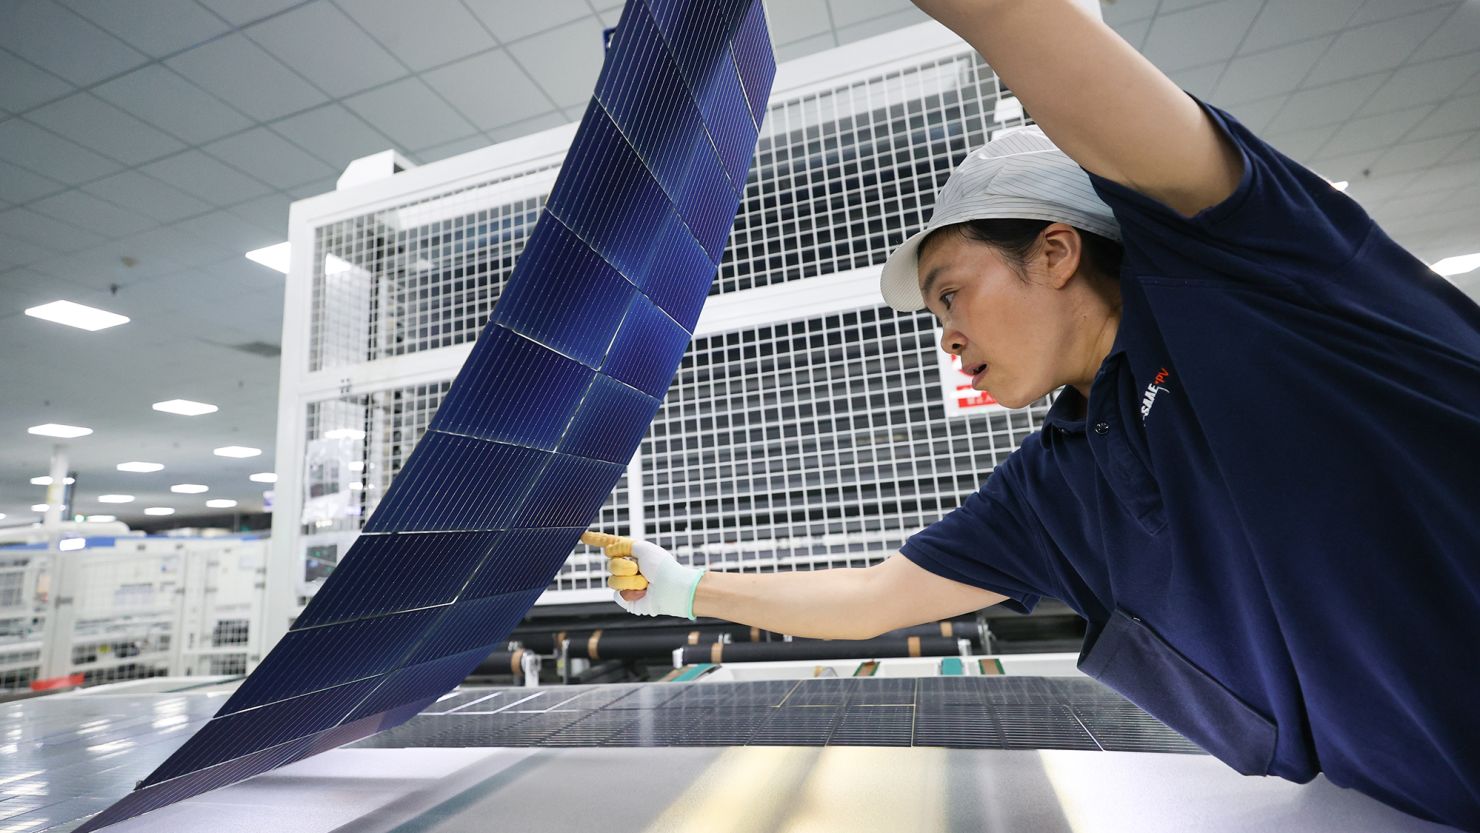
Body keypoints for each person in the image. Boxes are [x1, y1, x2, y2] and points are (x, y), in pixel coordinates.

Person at [589, 1, 1480, 828]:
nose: (945, 335)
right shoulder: (1058, 486)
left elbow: (1017, 17)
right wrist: (681, 589)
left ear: (1054, 252)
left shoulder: (1253, 275)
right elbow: (871, 598)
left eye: (951, 294)